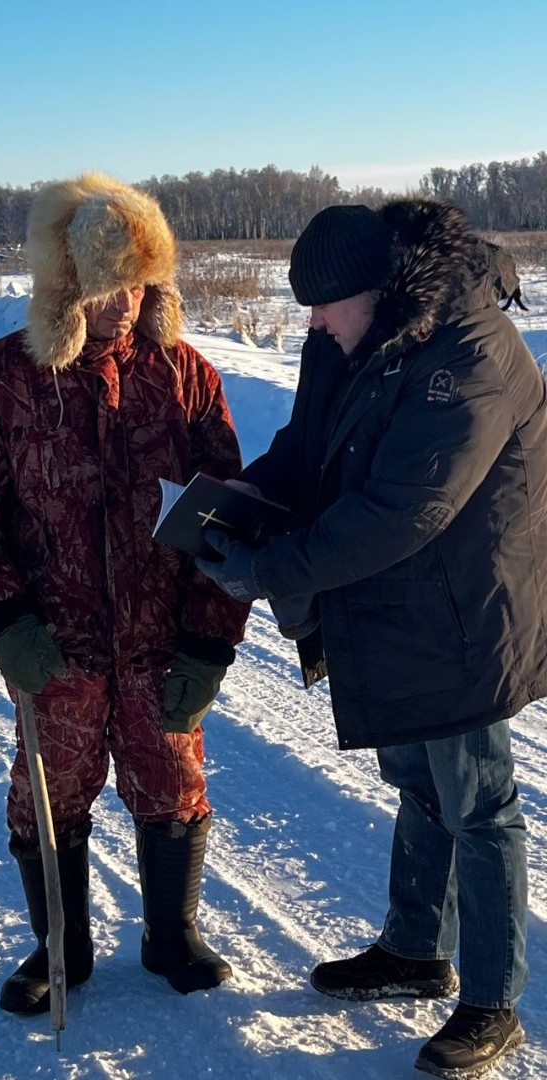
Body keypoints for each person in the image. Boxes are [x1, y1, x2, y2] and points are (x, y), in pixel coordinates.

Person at [196, 198, 546, 1078]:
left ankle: (493, 1002)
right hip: (387, 604)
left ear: (379, 289)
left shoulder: (471, 353)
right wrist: (243, 500)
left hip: (465, 613)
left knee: (480, 805)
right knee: (419, 784)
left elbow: (405, 508)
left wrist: (272, 568)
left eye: (324, 304)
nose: (312, 322)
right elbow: (309, 443)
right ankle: (415, 950)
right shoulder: (352, 339)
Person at [0, 173, 249, 1013]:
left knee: (173, 781)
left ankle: (171, 935)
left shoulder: (186, 375)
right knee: (50, 789)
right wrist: (3, 621)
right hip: (53, 642)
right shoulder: (1, 379)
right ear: (66, 287)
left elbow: (227, 522)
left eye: (139, 284)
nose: (125, 304)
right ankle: (61, 947)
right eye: (108, 287)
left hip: (161, 641)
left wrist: (210, 642)